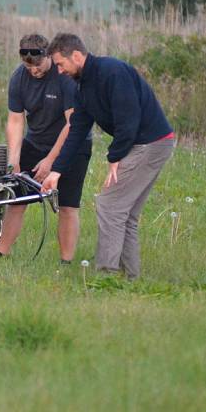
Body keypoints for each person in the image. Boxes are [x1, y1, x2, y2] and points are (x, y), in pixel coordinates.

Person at [42, 33, 175, 279]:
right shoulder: (83, 86)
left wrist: (115, 157)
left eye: (61, 64)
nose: (59, 71)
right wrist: (56, 171)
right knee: (126, 214)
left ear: (77, 56)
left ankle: (105, 275)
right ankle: (130, 279)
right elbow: (78, 129)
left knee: (110, 205)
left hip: (150, 143)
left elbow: (129, 119)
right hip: (143, 143)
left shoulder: (112, 72)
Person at [0, 34, 92, 262]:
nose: (34, 71)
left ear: (48, 56)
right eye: (28, 67)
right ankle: (0, 252)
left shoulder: (64, 78)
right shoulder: (19, 78)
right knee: (16, 200)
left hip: (73, 145)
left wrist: (50, 161)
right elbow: (16, 121)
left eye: (38, 66)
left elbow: (72, 124)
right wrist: (14, 158)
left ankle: (65, 261)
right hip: (35, 141)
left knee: (67, 206)